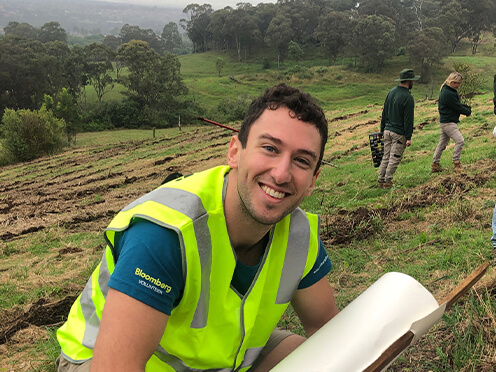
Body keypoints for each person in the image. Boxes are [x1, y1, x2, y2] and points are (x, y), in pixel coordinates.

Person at [55, 83, 339, 372]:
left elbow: (327, 331)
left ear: (313, 180)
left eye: (301, 161)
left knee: (314, 359)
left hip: (220, 358)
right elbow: (115, 367)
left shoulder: (298, 236)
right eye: (269, 148)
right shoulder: (166, 233)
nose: (281, 173)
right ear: (234, 152)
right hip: (100, 360)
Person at [378, 68, 420, 189]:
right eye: (412, 80)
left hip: (387, 130)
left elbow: (384, 112)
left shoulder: (391, 92)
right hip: (398, 133)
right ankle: (387, 181)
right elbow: (408, 120)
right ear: (409, 81)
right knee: (395, 157)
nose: (413, 83)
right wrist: (408, 137)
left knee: (386, 156)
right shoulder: (408, 97)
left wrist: (382, 129)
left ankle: (381, 179)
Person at [431, 72, 471, 173]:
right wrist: (467, 111)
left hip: (445, 121)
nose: (459, 86)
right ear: (453, 82)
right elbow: (456, 106)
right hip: (448, 122)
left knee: (442, 143)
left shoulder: (447, 90)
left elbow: (456, 104)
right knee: (460, 140)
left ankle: (435, 164)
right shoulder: (448, 93)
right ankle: (456, 163)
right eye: (458, 83)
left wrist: (466, 108)